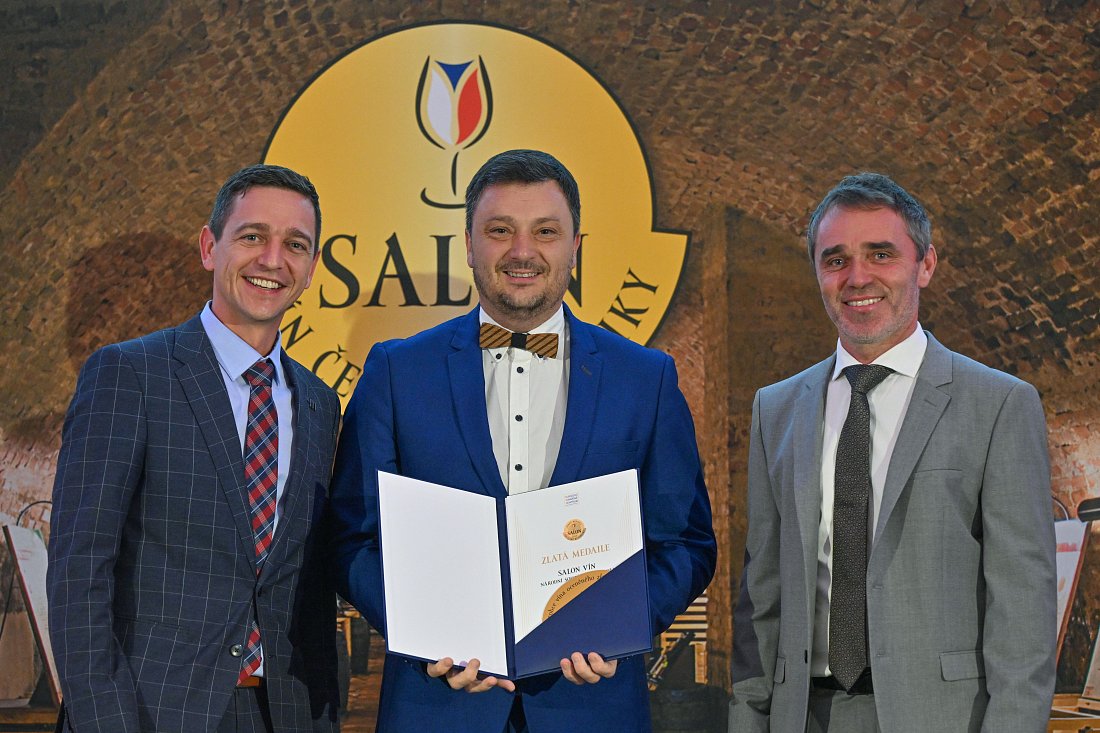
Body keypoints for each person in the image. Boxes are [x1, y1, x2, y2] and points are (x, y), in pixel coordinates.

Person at [329, 148, 717, 733]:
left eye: (545, 231)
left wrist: (622, 627)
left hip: (593, 709)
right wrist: (421, 635)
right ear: (468, 244)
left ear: (575, 246)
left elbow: (686, 542)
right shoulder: (397, 371)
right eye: (500, 230)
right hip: (436, 708)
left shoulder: (645, 378)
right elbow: (351, 537)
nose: (522, 251)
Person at [728, 172, 1056, 732]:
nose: (857, 277)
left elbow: (1023, 608)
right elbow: (762, 597)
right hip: (803, 716)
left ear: (925, 264)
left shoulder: (999, 404)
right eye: (836, 260)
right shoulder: (775, 410)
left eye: (881, 254)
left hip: (945, 719)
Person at [47, 164, 341, 732]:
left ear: (310, 270)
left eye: (295, 245)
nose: (272, 259)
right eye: (252, 236)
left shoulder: (319, 404)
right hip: (149, 713)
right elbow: (78, 573)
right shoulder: (130, 375)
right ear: (210, 247)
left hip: (283, 712)